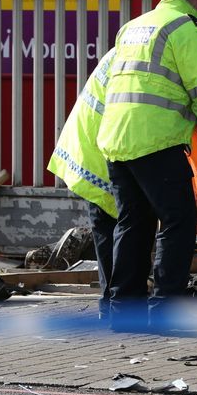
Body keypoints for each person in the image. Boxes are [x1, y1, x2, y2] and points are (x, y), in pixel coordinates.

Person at [97, 0, 197, 333]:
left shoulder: (135, 25)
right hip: (155, 140)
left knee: (133, 222)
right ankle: (166, 312)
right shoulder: (185, 27)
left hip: (116, 138)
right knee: (178, 221)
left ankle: (122, 313)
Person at [47, 48, 119, 322]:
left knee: (108, 234)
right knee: (118, 233)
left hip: (90, 154)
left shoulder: (124, 51)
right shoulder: (141, 60)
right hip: (103, 158)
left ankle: (110, 305)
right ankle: (116, 306)